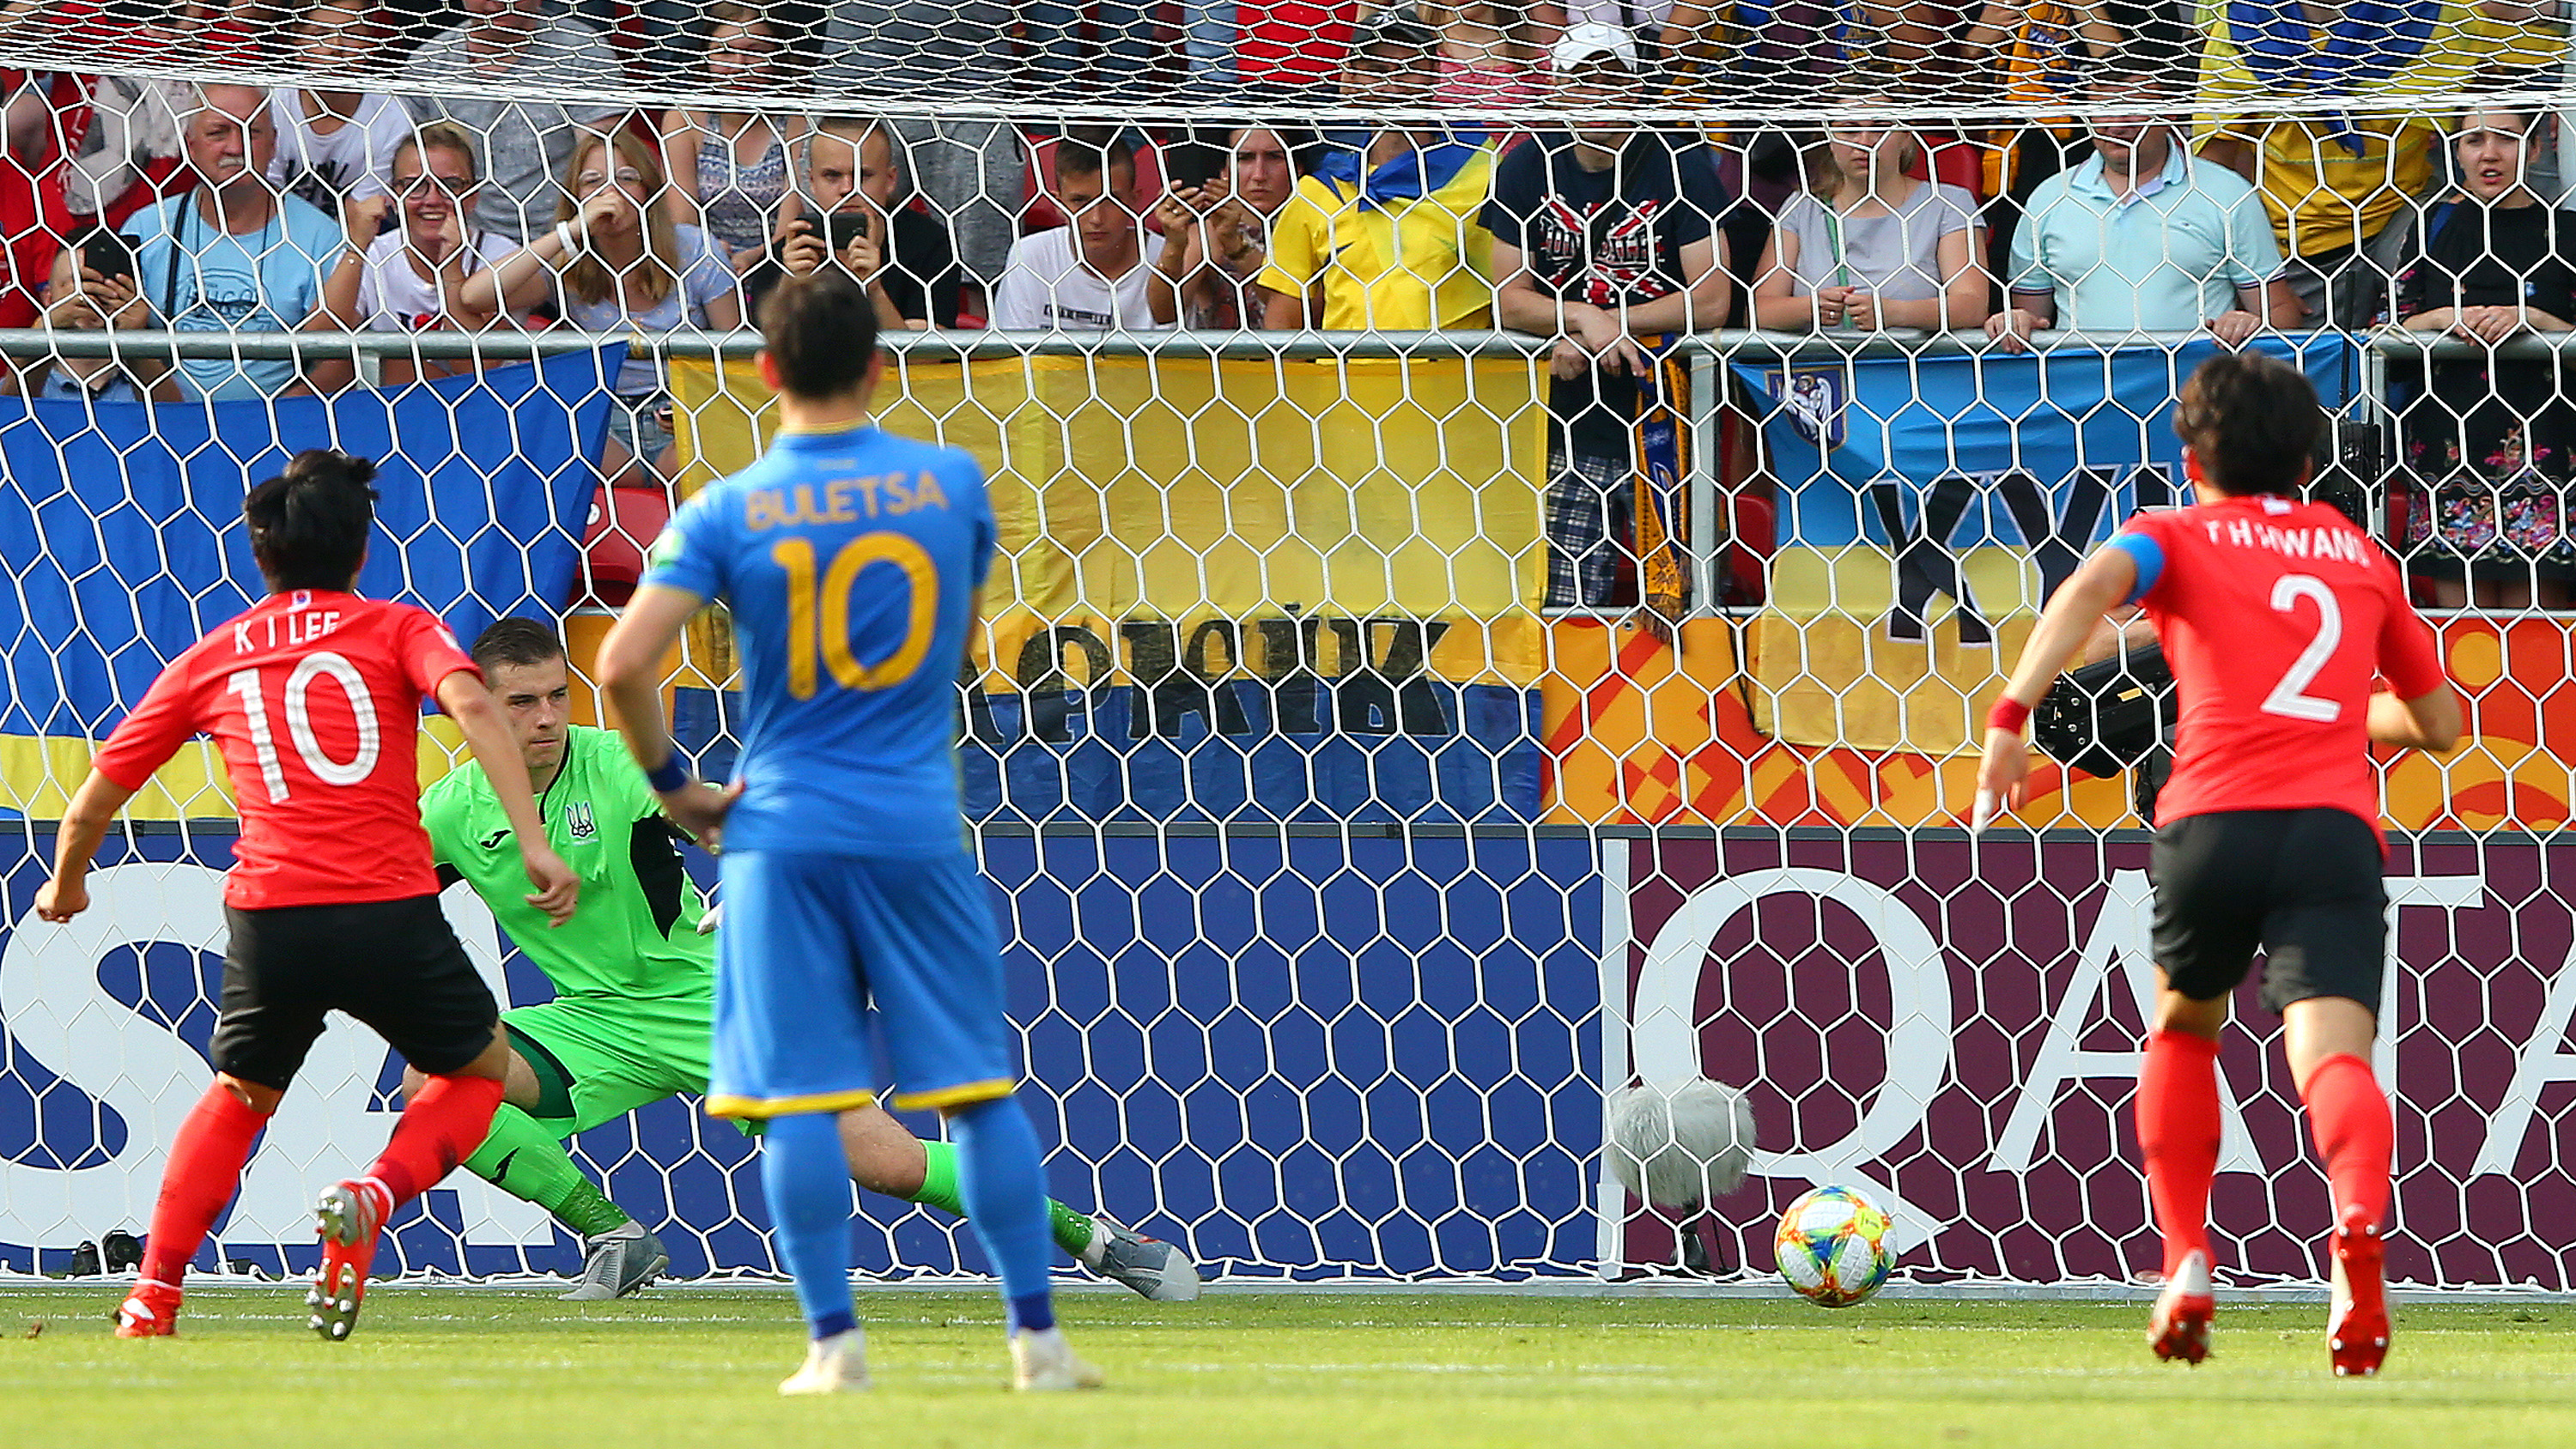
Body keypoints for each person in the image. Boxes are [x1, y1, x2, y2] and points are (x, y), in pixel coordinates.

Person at [594, 270, 1104, 1392]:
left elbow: (624, 662)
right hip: (919, 822)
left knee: (802, 1103)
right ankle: (1040, 1343)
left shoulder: (726, 509)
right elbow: (964, 636)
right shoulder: (948, 484)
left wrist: (679, 786)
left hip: (781, 830)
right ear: (880, 367)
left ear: (766, 371)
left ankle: (835, 1346)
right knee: (974, 1093)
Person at [416, 618, 1202, 1303]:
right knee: (438, 1078)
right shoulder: (452, 811)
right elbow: (380, 893)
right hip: (595, 1022)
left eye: (558, 695)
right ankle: (613, 1237)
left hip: (720, 1006)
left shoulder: (620, 768)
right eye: (523, 702)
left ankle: (1096, 1241)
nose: (548, 716)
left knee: (887, 1164)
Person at [1974, 352, 2462, 1377]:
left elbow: (2084, 590)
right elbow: (2437, 724)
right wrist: (2339, 713)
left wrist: (2013, 716)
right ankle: (2357, 1228)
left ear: (2192, 453)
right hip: (2331, 828)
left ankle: (2187, 1254)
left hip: (2209, 821)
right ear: (2307, 455)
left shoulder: (2172, 534)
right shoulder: (2358, 553)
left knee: (2184, 1032)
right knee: (2332, 1057)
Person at [33, 450, 579, 1341]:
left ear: (262, 554)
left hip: (272, 913)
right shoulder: (400, 628)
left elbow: (100, 787)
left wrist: (67, 879)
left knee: (241, 1092)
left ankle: (153, 1296)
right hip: (387, 909)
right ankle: (374, 1189)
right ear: (364, 551)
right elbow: (476, 708)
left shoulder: (213, 656)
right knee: (481, 1070)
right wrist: (532, 839)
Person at [1485, 25, 1729, 610]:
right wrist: (1581, 320)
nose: (1598, 92)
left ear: (1635, 87)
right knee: (1569, 605)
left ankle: (1680, 704)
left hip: (1671, 412)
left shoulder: (1681, 162)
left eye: (1612, 78)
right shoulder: (1525, 167)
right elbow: (1508, 299)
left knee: (1682, 603)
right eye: (1582, 79)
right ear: (1557, 90)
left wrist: (1611, 321)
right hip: (1566, 418)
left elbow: (1716, 297)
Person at [2193, 0, 2555, 330]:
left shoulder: (2435, 18)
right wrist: (2259, 270)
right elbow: (2215, 163)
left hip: (2403, 213)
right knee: (2314, 369)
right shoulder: (2241, 25)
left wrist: (2553, 100)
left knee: (2440, 307)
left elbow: (2542, 45)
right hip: (2294, 237)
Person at [456, 130, 743, 479]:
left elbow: (736, 353)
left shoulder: (696, 250)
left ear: (648, 191)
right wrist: (572, 231)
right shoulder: (567, 263)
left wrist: (695, 409)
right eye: (592, 181)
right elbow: (475, 296)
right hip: (603, 424)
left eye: (627, 178)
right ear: (575, 196)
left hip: (686, 415)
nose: (610, 192)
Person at [2392, 108, 2576, 610]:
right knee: (2463, 634)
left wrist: (2536, 319)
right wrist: (2441, 319)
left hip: (2549, 463)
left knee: (2538, 633)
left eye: (2507, 139)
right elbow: (2384, 332)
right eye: (2474, 140)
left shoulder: (2566, 232)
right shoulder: (2432, 227)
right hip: (2448, 457)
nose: (2489, 153)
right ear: (2456, 152)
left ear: (2536, 150)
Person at [1986, 77, 2298, 353]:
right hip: (2086, 391)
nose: (2116, 124)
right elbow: (2032, 318)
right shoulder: (2050, 197)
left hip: (2201, 392)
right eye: (2102, 107)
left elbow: (2280, 309)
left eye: (2131, 105)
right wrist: (2016, 321)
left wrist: (2248, 325)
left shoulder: (2226, 192)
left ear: (2169, 111)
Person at [1256, 4, 1497, 331]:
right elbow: (1283, 320)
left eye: (1407, 67)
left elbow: (1513, 287)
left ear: (1434, 73)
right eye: (1376, 68)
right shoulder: (1319, 192)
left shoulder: (1483, 169)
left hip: (1455, 376)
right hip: (1351, 379)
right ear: (1351, 79)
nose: (1393, 85)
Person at [119, 83, 353, 399]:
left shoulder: (320, 237)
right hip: (166, 423)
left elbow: (337, 364)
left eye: (252, 132)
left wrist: (262, 426)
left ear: (274, 144)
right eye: (218, 133)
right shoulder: (148, 229)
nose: (235, 147)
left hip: (278, 430)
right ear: (190, 146)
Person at [398, 0, 629, 245]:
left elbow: (604, 165)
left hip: (566, 242)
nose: (496, 3)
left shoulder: (582, 51)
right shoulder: (428, 63)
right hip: (462, 244)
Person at [1749, 100, 1988, 332]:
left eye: (1880, 127)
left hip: (1914, 365)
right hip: (1823, 366)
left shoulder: (1948, 204)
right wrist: (1810, 308)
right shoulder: (1802, 207)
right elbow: (1760, 307)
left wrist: (1896, 314)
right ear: (1829, 139)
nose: (1864, 142)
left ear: (1905, 136)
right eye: (1850, 130)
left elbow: (1972, 305)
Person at [325, 124, 518, 378]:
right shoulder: (375, 255)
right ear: (394, 196)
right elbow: (319, 342)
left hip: (490, 405)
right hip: (402, 406)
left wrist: (451, 266)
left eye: (450, 185)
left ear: (473, 197)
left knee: (400, 364)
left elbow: (476, 372)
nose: (432, 199)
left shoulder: (501, 256)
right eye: (416, 185)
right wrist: (357, 247)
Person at [743, 116, 961, 329]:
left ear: (890, 180)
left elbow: (926, 354)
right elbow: (763, 350)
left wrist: (874, 290)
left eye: (862, 176)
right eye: (832, 176)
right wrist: (792, 286)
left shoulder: (929, 243)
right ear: (812, 183)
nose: (848, 189)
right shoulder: (789, 251)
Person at [658, 0, 796, 274]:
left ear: (777, 57)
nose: (739, 65)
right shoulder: (684, 117)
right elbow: (682, 220)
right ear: (706, 55)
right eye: (725, 53)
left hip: (781, 263)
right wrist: (714, 255)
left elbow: (790, 228)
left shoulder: (796, 119)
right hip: (701, 259)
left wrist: (753, 259)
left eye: (755, 52)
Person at [991, 131, 1171, 331]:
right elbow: (1013, 354)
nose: (1096, 218)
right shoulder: (1030, 256)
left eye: (1111, 201)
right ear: (1058, 203)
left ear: (1134, 200)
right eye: (1079, 201)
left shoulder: (1168, 257)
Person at [266, 0, 418, 236]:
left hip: (354, 241)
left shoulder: (392, 118)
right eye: (322, 34)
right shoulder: (271, 105)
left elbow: (361, 214)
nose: (337, 47)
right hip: (276, 234)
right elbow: (265, 198)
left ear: (370, 43)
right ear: (298, 43)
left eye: (351, 34)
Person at [1151, 124, 1302, 330]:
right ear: (1224, 171)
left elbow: (1305, 313)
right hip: (1221, 359)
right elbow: (1163, 312)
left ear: (1298, 168)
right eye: (1245, 158)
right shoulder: (1206, 232)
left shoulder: (1311, 229)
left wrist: (1236, 247)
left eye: (1274, 157)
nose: (1259, 175)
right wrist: (1174, 246)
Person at [7, 227, 179, 401]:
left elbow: (175, 421)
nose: (90, 293)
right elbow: (10, 415)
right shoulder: (28, 378)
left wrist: (134, 341)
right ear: (48, 298)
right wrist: (42, 333)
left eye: (104, 283)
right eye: (78, 282)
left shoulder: (158, 378)